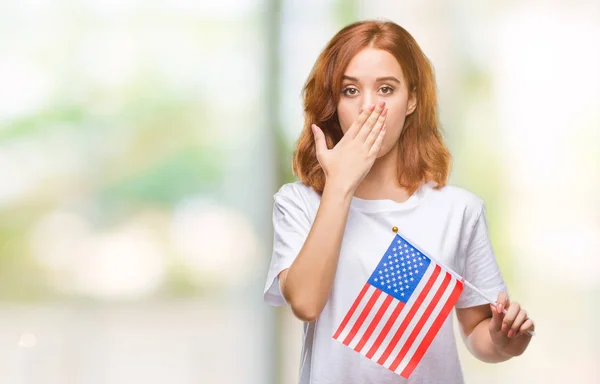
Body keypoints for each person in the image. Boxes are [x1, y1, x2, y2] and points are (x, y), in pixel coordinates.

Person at [263, 20, 534, 383]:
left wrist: (505, 341)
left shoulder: (458, 210)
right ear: (333, 102)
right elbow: (306, 303)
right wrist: (341, 183)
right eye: (350, 90)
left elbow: (477, 331)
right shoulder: (298, 203)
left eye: (386, 89)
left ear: (412, 100)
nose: (368, 108)